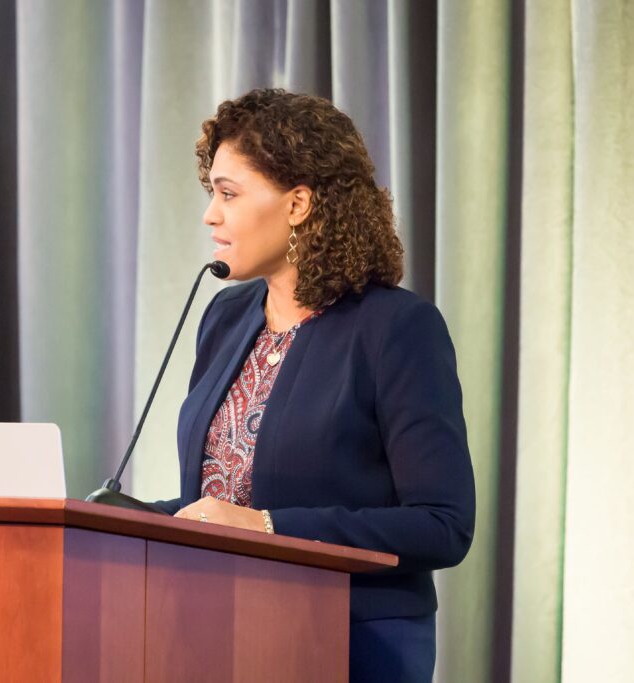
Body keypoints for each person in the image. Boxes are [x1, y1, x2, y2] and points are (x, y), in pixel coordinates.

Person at [153, 88, 476, 682]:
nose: (210, 215)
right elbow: (224, 498)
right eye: (211, 194)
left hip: (352, 643)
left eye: (228, 194)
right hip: (217, 632)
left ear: (298, 203)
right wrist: (118, 519)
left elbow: (442, 524)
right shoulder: (225, 317)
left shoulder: (396, 329)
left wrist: (271, 527)